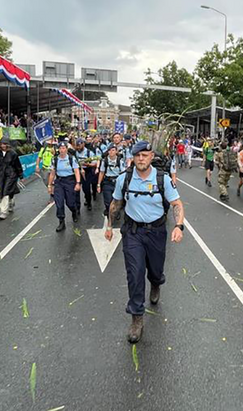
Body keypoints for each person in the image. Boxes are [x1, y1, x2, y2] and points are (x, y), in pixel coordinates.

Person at [106, 141, 185, 343]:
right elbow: (116, 203)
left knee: (155, 270)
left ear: (151, 157)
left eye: (145, 155)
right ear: (132, 157)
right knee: (135, 272)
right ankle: (137, 317)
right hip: (133, 233)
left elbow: (176, 203)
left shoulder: (163, 179)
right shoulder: (124, 179)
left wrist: (179, 226)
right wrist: (109, 226)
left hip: (157, 232)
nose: (141, 158)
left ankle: (156, 282)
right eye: (137, 155)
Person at [47, 140, 81, 232]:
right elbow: (52, 173)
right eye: (60, 148)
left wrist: (78, 183)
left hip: (70, 181)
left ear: (66, 149)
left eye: (63, 148)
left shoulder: (71, 158)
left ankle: (74, 211)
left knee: (70, 202)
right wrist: (50, 185)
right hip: (59, 182)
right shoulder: (55, 159)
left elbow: (76, 171)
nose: (62, 150)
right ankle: (61, 221)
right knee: (59, 203)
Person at [0, 139, 23, 221]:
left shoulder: (13, 154)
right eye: (1, 144)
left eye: (4, 144)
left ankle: (3, 212)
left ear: (7, 145)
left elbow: (17, 165)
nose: (2, 146)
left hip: (11, 174)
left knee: (5, 191)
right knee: (5, 190)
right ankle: (11, 201)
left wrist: (20, 175)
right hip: (0, 176)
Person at [97, 144, 125, 217]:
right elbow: (102, 173)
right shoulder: (105, 161)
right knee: (107, 200)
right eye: (109, 150)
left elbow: (123, 173)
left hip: (117, 182)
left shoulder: (120, 161)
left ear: (116, 151)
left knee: (117, 199)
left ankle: (116, 212)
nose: (111, 152)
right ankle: (109, 211)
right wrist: (99, 184)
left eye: (113, 150)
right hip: (107, 182)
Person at [75, 138, 99, 211]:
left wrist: (88, 164)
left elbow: (95, 162)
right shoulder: (76, 152)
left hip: (87, 171)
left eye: (79, 145)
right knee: (80, 189)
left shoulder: (89, 153)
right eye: (77, 145)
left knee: (87, 188)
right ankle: (78, 206)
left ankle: (89, 202)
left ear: (83, 144)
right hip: (79, 171)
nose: (78, 147)